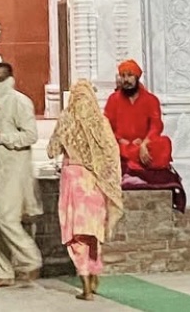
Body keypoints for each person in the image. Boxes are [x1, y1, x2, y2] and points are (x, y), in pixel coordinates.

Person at [48, 80, 124, 300]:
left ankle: (86, 287)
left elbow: (52, 150)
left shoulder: (66, 119)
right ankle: (94, 274)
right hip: (94, 183)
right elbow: (112, 153)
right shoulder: (100, 121)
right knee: (93, 233)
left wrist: (68, 145)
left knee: (77, 236)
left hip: (73, 182)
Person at [0, 61, 43, 288]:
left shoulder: (20, 102)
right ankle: (2, 273)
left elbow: (30, 136)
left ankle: (31, 259)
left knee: (6, 218)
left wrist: (2, 138)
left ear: (10, 78)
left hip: (15, 170)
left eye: (0, 78)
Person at [103, 59, 173, 172]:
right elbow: (106, 125)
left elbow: (156, 126)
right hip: (122, 146)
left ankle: (132, 162)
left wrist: (145, 143)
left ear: (137, 77)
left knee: (164, 143)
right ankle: (136, 162)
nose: (126, 80)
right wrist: (119, 139)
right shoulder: (113, 99)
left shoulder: (151, 100)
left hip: (143, 145)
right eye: (123, 76)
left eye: (130, 75)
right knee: (109, 149)